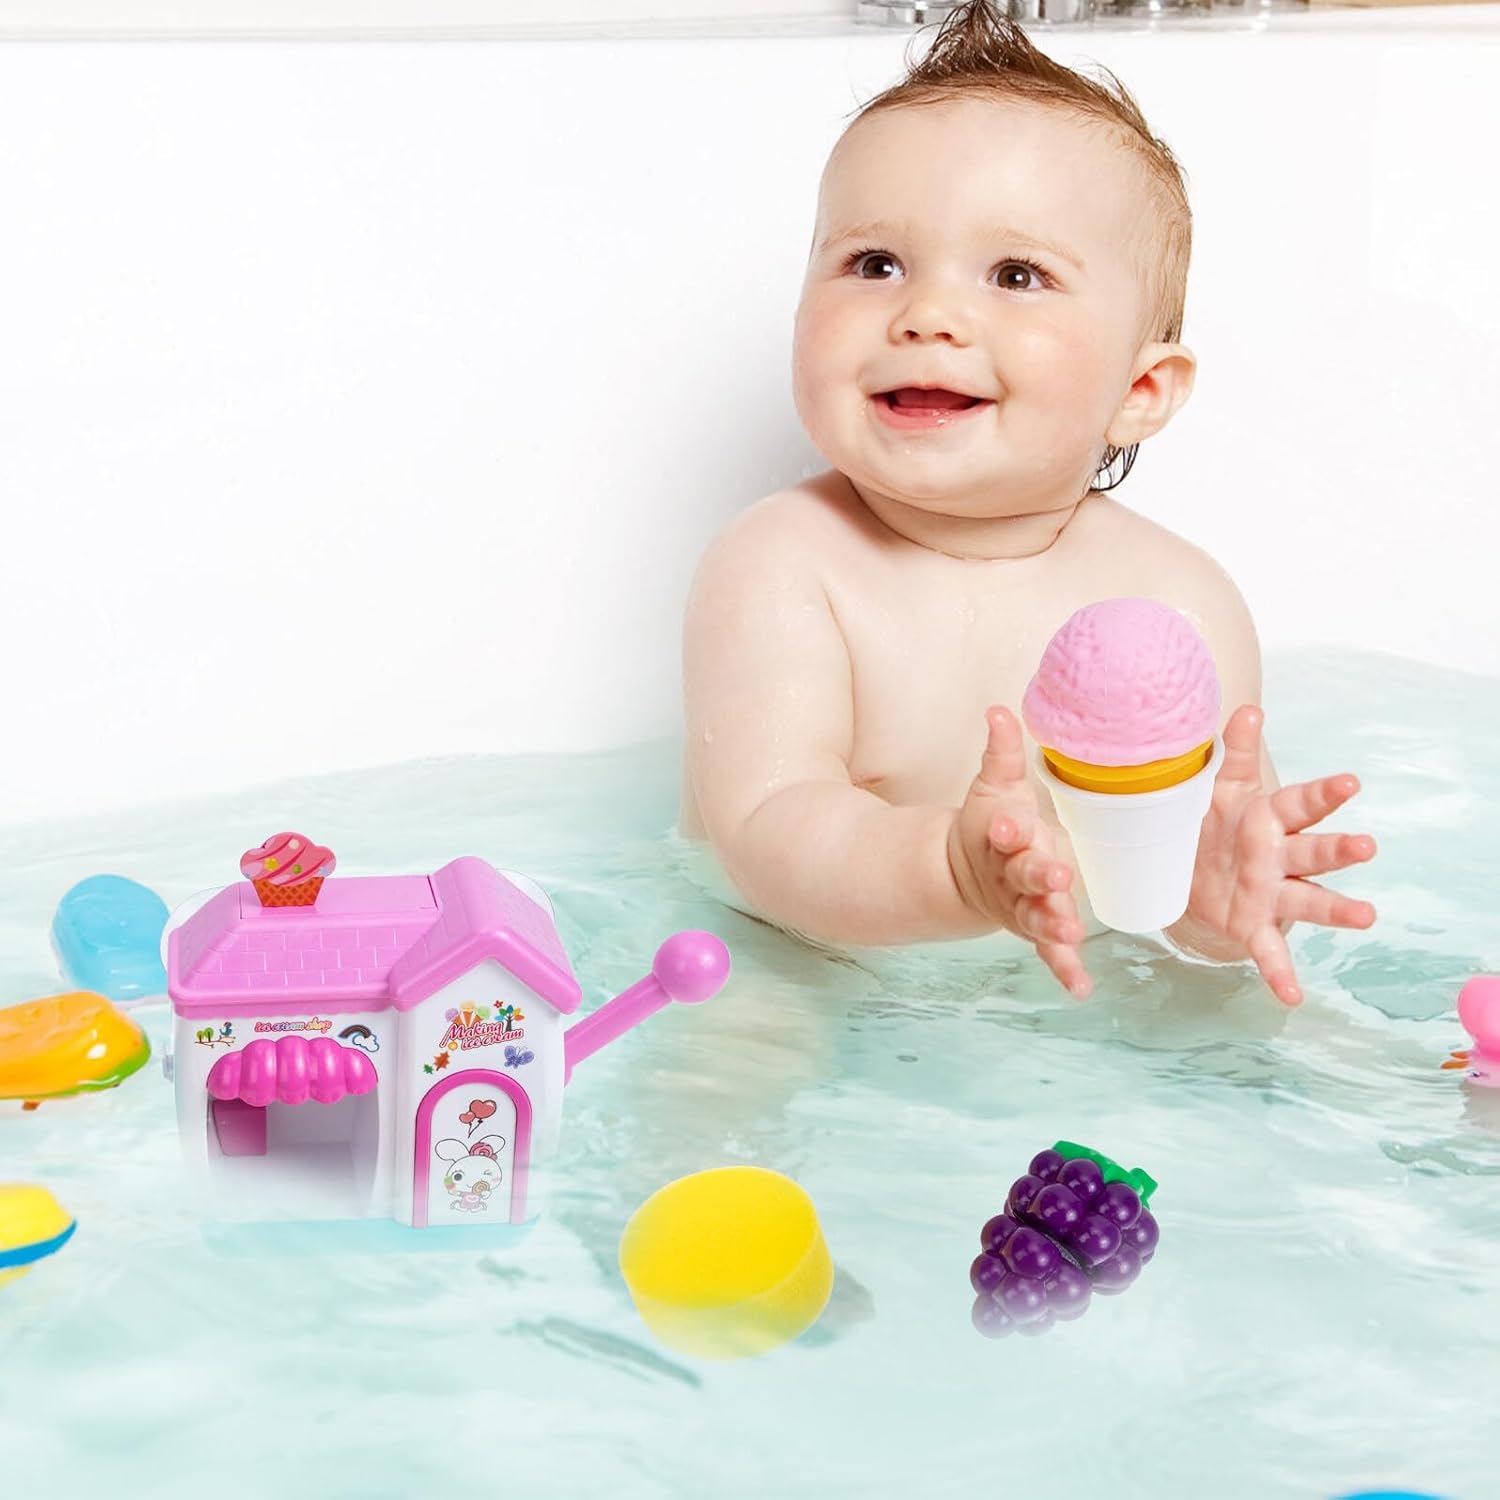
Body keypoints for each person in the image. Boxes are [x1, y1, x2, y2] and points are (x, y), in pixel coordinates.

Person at [679, 0, 1376, 1007]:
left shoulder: (1180, 601)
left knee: (1264, 1034)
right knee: (736, 1049)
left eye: (1016, 274)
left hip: (1069, 986)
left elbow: (1197, 866)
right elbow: (767, 831)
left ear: (1141, 391)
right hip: (804, 967)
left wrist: (1212, 910)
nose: (927, 314)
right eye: (875, 264)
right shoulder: (783, 563)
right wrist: (951, 873)